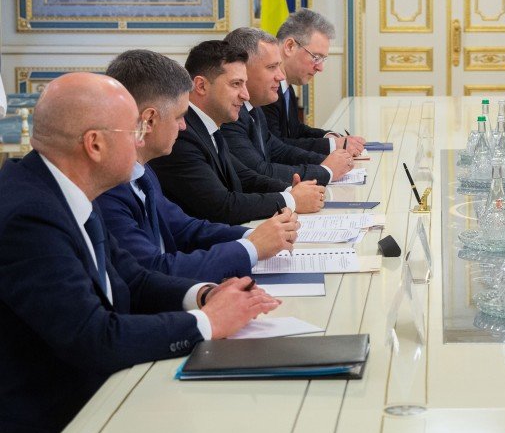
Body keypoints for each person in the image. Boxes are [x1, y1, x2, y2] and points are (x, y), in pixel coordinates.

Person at [0, 73, 279, 433]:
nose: (141, 138)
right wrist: (208, 322)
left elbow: (132, 278)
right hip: (55, 431)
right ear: (94, 144)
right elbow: (94, 338)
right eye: (134, 129)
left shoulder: (63, 187)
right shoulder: (29, 216)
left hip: (100, 398)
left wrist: (205, 294)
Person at [97, 50, 299, 283]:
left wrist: (256, 236)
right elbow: (152, 270)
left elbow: (184, 229)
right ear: (149, 120)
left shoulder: (143, 171)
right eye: (179, 116)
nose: (183, 126)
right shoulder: (108, 187)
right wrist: (251, 247)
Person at [150, 40, 325, 225]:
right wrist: (291, 200)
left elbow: (245, 177)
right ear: (201, 86)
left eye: (245, 84)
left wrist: (291, 190)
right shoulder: (181, 133)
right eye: (236, 84)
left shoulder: (209, 125)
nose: (245, 95)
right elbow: (222, 206)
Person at [220, 28, 354, 186]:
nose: (281, 76)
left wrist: (330, 160)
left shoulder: (253, 108)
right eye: (272, 67)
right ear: (242, 69)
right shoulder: (229, 115)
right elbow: (259, 172)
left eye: (279, 66)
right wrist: (325, 171)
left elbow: (279, 151)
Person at [263, 8, 364, 155]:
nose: (320, 68)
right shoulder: (266, 89)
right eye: (316, 57)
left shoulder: (287, 87)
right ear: (290, 46)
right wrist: (332, 145)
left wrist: (329, 137)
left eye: (323, 59)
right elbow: (276, 147)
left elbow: (296, 130)